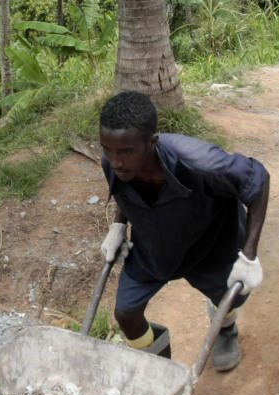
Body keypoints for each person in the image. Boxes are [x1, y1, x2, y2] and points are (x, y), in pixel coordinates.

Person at [98, 90, 269, 370]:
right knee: (126, 312)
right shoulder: (114, 164)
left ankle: (225, 328)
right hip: (154, 247)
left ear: (152, 142)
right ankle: (160, 369)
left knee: (229, 297)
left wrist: (249, 255)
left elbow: (259, 180)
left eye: (126, 151)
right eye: (107, 149)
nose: (115, 161)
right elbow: (124, 191)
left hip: (210, 242)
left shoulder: (202, 163)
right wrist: (119, 225)